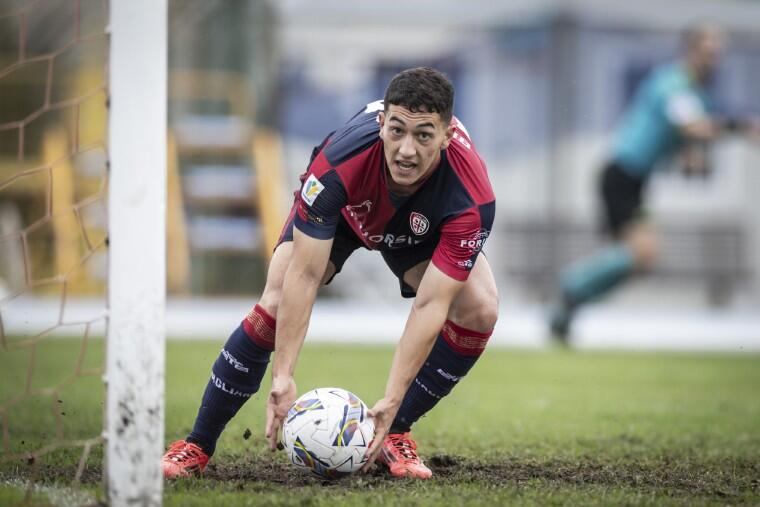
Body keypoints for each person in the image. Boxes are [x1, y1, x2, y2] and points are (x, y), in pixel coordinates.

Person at [162, 67, 498, 480]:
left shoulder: (471, 199)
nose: (406, 150)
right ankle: (196, 446)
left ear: (446, 136)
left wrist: (393, 397)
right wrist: (283, 375)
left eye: (424, 136)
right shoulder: (338, 164)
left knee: (480, 308)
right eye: (396, 131)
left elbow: (431, 305)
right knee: (275, 300)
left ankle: (394, 431)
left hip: (419, 229)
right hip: (343, 214)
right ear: (381, 123)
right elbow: (304, 276)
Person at [548, 25, 760, 343]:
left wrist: (694, 156)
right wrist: (739, 126)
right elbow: (692, 127)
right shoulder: (672, 83)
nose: (713, 60)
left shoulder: (696, 94)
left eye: (717, 54)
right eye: (708, 52)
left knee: (640, 260)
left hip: (635, 180)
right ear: (691, 51)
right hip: (621, 175)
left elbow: (689, 142)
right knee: (642, 254)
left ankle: (568, 307)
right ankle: (572, 286)